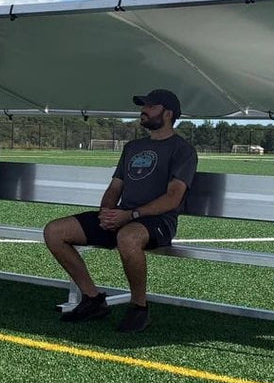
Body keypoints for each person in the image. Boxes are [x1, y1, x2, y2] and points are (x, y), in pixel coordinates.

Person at [43, 88, 198, 333]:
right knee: (54, 232)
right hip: (123, 217)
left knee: (128, 238)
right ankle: (93, 299)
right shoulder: (133, 147)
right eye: (143, 106)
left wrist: (131, 215)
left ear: (168, 114)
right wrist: (106, 213)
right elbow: (115, 187)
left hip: (157, 222)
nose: (143, 111)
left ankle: (139, 307)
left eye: (150, 106)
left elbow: (173, 198)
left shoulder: (183, 150)